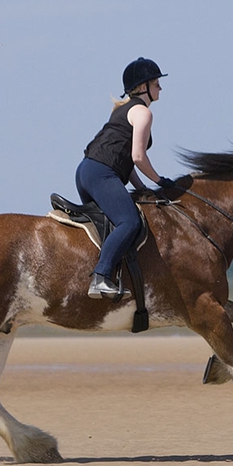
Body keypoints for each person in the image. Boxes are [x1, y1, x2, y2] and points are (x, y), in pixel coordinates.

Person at [75, 57, 184, 300]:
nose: (160, 88)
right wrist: (161, 180)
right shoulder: (143, 113)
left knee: (110, 225)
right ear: (143, 86)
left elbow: (125, 161)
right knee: (130, 223)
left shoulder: (122, 110)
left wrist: (143, 187)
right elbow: (137, 156)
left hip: (87, 172)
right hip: (102, 173)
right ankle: (100, 277)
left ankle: (114, 274)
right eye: (156, 83)